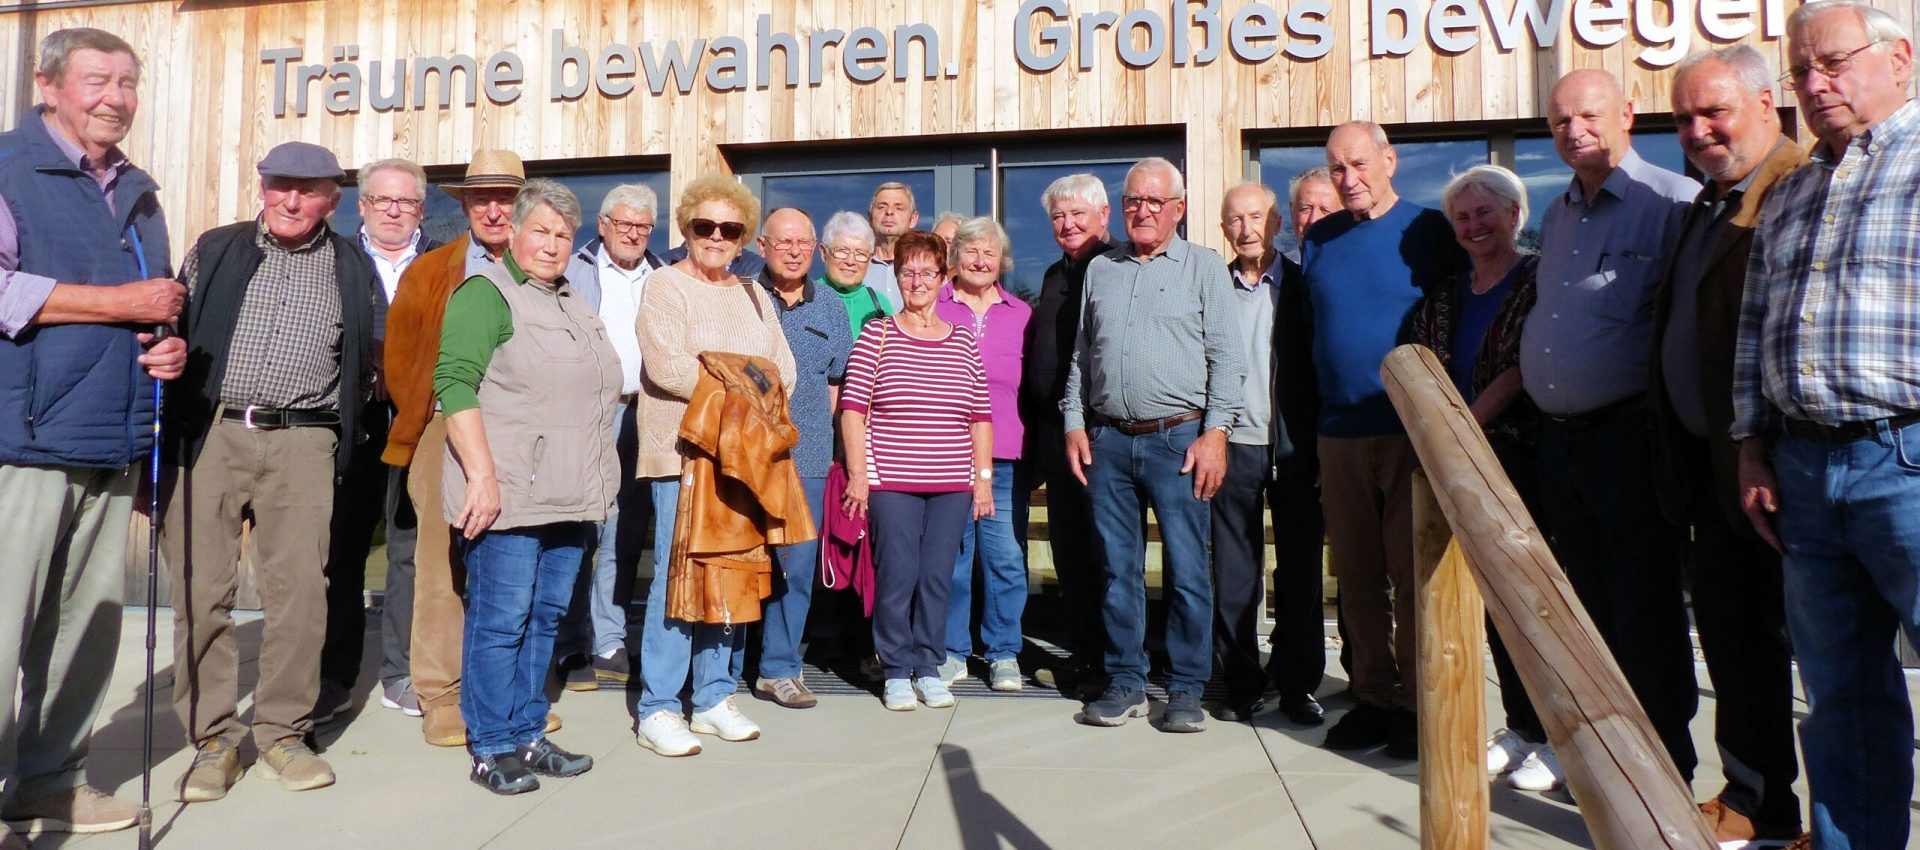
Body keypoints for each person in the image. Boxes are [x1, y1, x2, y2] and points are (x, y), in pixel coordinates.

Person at [1733, 3, 1917, 847]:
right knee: (1840, 696)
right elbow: (1753, 330)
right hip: (1803, 470)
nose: (1814, 84)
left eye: (1833, 63)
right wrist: (1750, 445)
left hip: (1908, 457)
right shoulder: (1793, 191)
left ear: (1900, 58)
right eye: (1800, 71)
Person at [0, 27, 182, 842]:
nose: (115, 96)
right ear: (47, 85)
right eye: (96, 80)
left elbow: (151, 307)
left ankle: (49, 781)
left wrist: (165, 348)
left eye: (128, 82)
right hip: (19, 441)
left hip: (109, 441)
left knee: (87, 630)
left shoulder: (139, 191)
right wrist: (121, 307)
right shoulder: (7, 167)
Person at [165, 142, 379, 800]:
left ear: (331, 201)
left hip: (304, 441)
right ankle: (215, 741)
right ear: (261, 186)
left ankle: (284, 731)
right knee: (202, 593)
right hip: (213, 431)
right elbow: (171, 332)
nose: (291, 200)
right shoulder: (217, 248)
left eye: (308, 190)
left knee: (300, 598)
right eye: (280, 185)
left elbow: (362, 364)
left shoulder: (350, 264)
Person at [1520, 68, 1701, 790]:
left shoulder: (1672, 203)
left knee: (1645, 619)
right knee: (1587, 617)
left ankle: (1662, 781)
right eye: (1560, 121)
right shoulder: (1558, 211)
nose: (1574, 131)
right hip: (1562, 444)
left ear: (1628, 113)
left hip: (1629, 443)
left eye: (1589, 115)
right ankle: (1602, 767)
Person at [1649, 46, 1810, 846]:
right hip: (1712, 473)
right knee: (1737, 645)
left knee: (1824, 655)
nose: (1698, 129)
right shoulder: (1709, 203)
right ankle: (1757, 800)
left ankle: (1849, 817)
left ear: (1766, 103)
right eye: (1683, 118)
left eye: (1714, 111)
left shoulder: (1798, 189)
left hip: (1786, 471)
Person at [436, 179, 613, 795]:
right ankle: (489, 745)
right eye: (540, 230)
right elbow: (454, 385)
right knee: (500, 621)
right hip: (509, 495)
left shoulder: (572, 303)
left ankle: (527, 734)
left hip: (570, 496)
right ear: (512, 232)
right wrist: (481, 477)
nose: (552, 244)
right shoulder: (487, 295)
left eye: (563, 235)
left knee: (543, 621)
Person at [1301, 122, 1467, 759]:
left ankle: (1418, 705)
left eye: (1360, 164)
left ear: (1389, 161)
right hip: (1338, 434)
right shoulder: (1321, 238)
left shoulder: (1430, 231)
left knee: (1412, 573)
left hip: (1409, 434)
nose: (1349, 179)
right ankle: (1372, 695)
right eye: (1337, 168)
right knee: (1359, 577)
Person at [1062, 157, 1245, 733]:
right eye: (1134, 201)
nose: (1142, 211)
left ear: (1179, 210)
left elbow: (1228, 358)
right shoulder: (1101, 270)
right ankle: (1125, 682)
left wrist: (1216, 433)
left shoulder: (1204, 268)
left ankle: (1187, 689)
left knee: (1189, 570)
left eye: (1155, 202)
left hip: (1180, 441)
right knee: (1118, 572)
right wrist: (1073, 421)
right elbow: (1079, 356)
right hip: (1109, 442)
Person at [384, 151, 558, 748]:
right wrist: (427, 420)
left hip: (519, 439)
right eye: (480, 197)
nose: (492, 208)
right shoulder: (432, 270)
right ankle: (440, 694)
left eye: (505, 197)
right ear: (463, 205)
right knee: (440, 568)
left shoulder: (539, 271)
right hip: (444, 432)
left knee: (510, 572)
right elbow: (402, 360)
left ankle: (505, 697)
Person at [633, 174, 796, 757]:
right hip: (683, 455)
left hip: (744, 461)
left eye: (730, 229)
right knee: (681, 578)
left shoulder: (753, 294)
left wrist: (735, 383)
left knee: (732, 573)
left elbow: (783, 371)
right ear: (686, 228)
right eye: (705, 227)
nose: (717, 237)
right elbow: (668, 366)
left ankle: (713, 696)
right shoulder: (664, 287)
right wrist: (743, 387)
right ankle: (658, 705)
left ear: (744, 236)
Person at [1407, 166, 1550, 787]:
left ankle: (1558, 737)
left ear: (1515, 214)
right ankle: (1520, 729)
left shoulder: (1538, 280)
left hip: (1521, 458)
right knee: (1493, 605)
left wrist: (1464, 426)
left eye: (1484, 213)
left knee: (1536, 601)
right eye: (1462, 218)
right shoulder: (1444, 296)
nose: (1472, 227)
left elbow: (1523, 366)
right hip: (1460, 463)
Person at [839, 230, 994, 712]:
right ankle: (895, 669)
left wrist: (982, 480)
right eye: (908, 272)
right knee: (898, 575)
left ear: (943, 277)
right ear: (898, 277)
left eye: (928, 272)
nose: (918, 281)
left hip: (951, 483)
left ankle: (929, 666)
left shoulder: (963, 338)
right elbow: (852, 409)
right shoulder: (878, 333)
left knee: (937, 577)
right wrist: (859, 476)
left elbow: (979, 415)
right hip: (893, 482)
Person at [317, 157, 439, 723]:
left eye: (407, 201)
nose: (395, 210)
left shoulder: (442, 262)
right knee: (343, 551)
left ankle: (402, 671)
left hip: (418, 425)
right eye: (383, 200)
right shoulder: (333, 257)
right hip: (352, 426)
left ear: (421, 208)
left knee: (409, 551)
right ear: (361, 205)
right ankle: (335, 676)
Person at [1208, 182, 1314, 725]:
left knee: (1298, 570)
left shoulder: (1301, 284)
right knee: (1235, 570)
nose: (1246, 228)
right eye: (1235, 219)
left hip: (1293, 446)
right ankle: (1241, 682)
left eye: (1257, 217)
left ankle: (1297, 685)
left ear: (1276, 224)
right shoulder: (1210, 287)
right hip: (1234, 443)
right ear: (1223, 228)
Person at [553, 183, 665, 692]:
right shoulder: (574, 269)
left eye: (643, 226)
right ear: (602, 225)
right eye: (625, 224)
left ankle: (610, 639)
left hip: (647, 416)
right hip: (588, 415)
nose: (634, 234)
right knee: (581, 529)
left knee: (625, 533)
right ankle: (569, 641)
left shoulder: (663, 277)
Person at [751, 208, 852, 709]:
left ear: (815, 249)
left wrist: (829, 450)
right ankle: (726, 667)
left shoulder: (831, 306)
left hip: (808, 456)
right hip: (745, 456)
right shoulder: (741, 296)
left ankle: (779, 668)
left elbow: (837, 385)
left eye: (803, 243)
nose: (793, 251)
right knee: (743, 559)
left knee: (797, 565)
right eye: (783, 242)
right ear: (762, 246)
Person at [1023, 174, 1114, 698]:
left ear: (1104, 214)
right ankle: (1084, 657)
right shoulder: (1055, 274)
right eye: (1058, 216)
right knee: (1071, 555)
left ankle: (1113, 665)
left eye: (1078, 214)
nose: (1067, 224)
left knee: (1108, 556)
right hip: (1058, 441)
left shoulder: (1119, 266)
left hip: (1102, 438)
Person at [935, 217, 1033, 692]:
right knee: (953, 558)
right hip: (946, 452)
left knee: (1005, 558)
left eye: (989, 254)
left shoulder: (1020, 314)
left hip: (1006, 454)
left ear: (1002, 262)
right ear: (954, 259)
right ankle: (952, 651)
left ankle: (1003, 652)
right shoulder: (933, 307)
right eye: (970, 252)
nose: (979, 261)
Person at [1265, 168, 1338, 724]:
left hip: (1321, 444)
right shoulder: (1282, 276)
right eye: (1303, 210)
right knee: (1267, 569)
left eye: (1323, 208)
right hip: (1262, 442)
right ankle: (1261, 673)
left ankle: (1301, 680)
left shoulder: (1340, 272)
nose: (1311, 219)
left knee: (1307, 569)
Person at [817, 211, 891, 338]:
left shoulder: (880, 305)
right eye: (842, 251)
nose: (850, 261)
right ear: (824, 253)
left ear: (870, 259)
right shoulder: (807, 299)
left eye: (860, 253)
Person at [864, 182, 916, 311]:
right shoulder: (855, 265)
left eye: (899, 208)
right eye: (881, 207)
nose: (889, 212)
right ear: (870, 217)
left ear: (913, 219)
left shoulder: (924, 269)